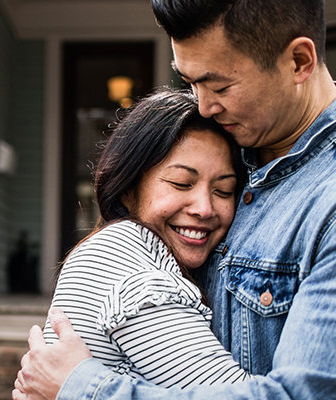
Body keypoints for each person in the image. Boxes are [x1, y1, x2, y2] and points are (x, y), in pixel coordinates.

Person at [14, 0, 336, 399]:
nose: (203, 105)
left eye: (218, 85)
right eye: (189, 82)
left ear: (298, 62)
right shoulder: (227, 151)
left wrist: (83, 387)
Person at [43, 87, 254, 388]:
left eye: (223, 190)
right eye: (182, 183)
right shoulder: (125, 261)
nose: (205, 209)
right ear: (128, 189)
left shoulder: (127, 248)